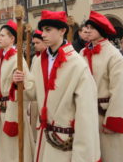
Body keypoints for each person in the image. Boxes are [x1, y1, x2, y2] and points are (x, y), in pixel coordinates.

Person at [14, 11, 101, 162]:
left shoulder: (77, 65)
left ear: (62, 31)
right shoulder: (41, 60)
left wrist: (82, 155)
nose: (43, 34)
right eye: (43, 30)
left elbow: (86, 115)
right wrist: (20, 84)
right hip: (44, 137)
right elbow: (35, 92)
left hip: (66, 141)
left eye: (48, 30)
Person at [81, 11, 123, 162]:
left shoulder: (114, 56)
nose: (87, 30)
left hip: (104, 115)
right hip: (85, 115)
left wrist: (113, 121)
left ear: (101, 31)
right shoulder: (82, 52)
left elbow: (122, 90)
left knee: (112, 155)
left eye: (91, 28)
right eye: (86, 27)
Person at [0, 20, 35, 162]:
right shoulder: (1, 57)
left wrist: (20, 84)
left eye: (3, 35)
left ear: (12, 39)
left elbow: (29, 90)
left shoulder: (17, 60)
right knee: (3, 149)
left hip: (11, 111)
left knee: (13, 150)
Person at [28, 29, 46, 140]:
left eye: (37, 43)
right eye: (33, 43)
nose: (35, 45)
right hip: (34, 98)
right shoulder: (36, 58)